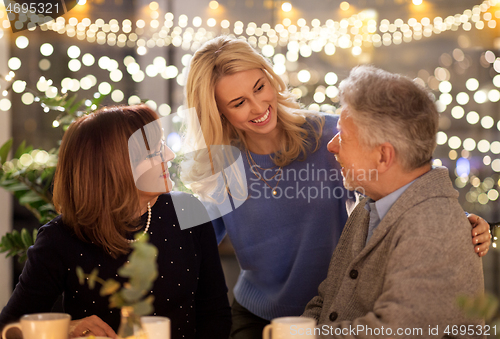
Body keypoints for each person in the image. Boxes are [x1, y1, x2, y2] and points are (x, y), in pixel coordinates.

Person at [181, 35, 490, 339]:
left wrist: (457, 223)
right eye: (238, 103)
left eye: (260, 87)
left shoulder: (332, 136)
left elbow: (402, 186)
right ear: (218, 111)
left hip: (331, 313)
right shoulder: (219, 165)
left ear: (269, 78)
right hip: (256, 315)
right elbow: (194, 243)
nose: (258, 105)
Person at [0, 104, 232, 339]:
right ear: (115, 167)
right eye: (155, 151)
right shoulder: (59, 238)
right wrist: (66, 328)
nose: (170, 155)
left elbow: (215, 315)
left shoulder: (188, 210)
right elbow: (8, 328)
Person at [302, 65, 485, 337]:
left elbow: (393, 332)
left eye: (345, 136)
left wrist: (299, 335)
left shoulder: (433, 229)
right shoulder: (370, 204)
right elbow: (329, 298)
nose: (332, 146)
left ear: (383, 157)